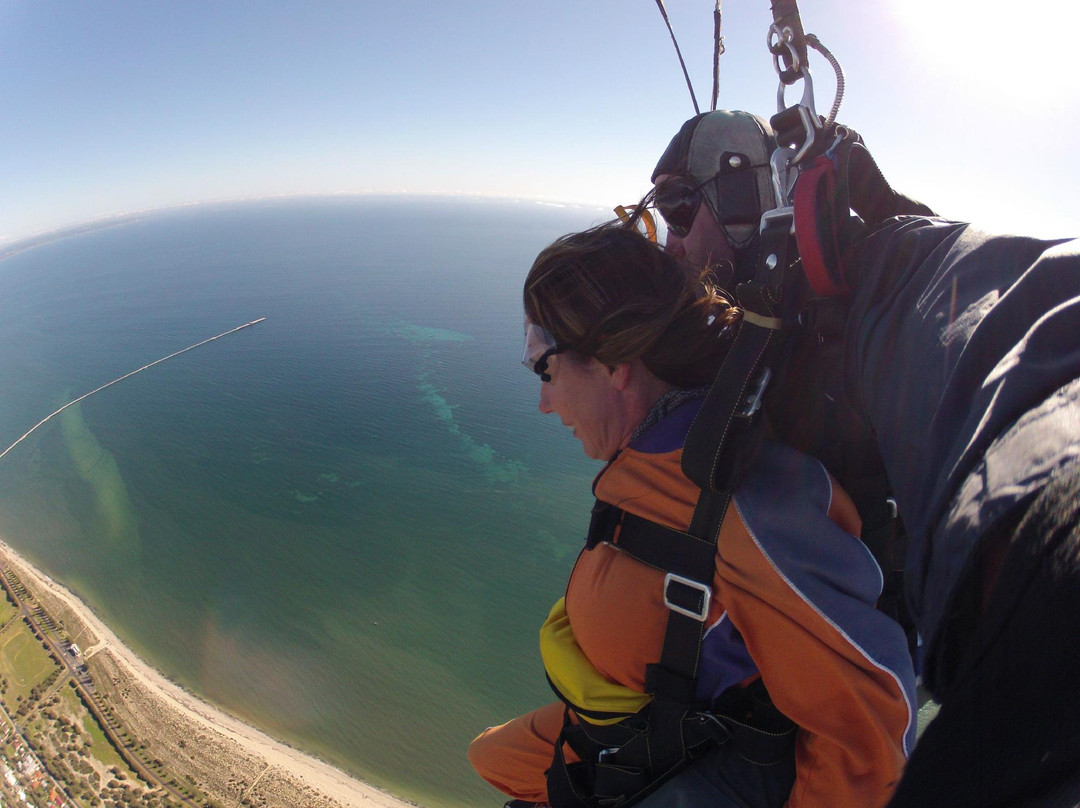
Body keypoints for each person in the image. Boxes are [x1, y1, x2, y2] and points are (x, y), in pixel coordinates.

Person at [648, 109, 1080, 808]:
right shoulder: (739, 325)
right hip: (744, 698)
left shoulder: (868, 277)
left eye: (676, 208)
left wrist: (1053, 529)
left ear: (739, 200)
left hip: (841, 714)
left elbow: (1003, 318)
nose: (669, 243)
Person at [468, 221, 917, 808]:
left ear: (613, 363)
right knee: (488, 757)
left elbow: (870, 716)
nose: (544, 402)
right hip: (624, 734)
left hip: (674, 755)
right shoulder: (655, 461)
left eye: (544, 368)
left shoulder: (738, 505)